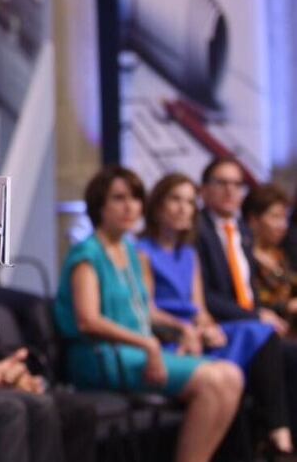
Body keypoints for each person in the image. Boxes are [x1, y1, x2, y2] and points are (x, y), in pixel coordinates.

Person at [55, 166, 244, 462]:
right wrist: (149, 344)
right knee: (211, 381)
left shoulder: (129, 251)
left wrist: (183, 329)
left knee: (231, 375)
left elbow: (147, 311)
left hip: (137, 350)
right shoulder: (87, 254)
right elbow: (88, 320)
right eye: (119, 198)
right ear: (99, 205)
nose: (130, 206)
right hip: (101, 356)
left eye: (136, 198)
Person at [137, 173, 291, 453]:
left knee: (263, 335)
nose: (184, 208)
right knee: (255, 340)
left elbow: (200, 309)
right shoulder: (142, 251)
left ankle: (275, 432)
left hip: (197, 332)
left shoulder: (189, 253)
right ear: (158, 206)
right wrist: (187, 329)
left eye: (188, 201)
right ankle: (275, 434)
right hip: (169, 336)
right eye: (175, 199)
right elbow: (146, 309)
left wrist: (208, 326)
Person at [196, 158, 289, 333]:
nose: (230, 190)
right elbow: (205, 295)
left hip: (253, 321)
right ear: (204, 190)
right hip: (221, 325)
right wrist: (255, 317)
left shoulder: (243, 232)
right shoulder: (197, 230)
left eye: (237, 184)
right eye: (221, 183)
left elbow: (249, 288)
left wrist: (261, 314)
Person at [247, 184, 297, 331]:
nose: (283, 225)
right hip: (266, 328)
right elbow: (252, 301)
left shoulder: (280, 255)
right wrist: (288, 306)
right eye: (275, 217)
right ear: (254, 220)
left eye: (284, 218)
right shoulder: (245, 256)